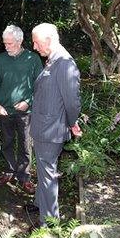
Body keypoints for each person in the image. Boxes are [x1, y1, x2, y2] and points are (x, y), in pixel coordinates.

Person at [29, 23, 82, 227]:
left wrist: (72, 122)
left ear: (49, 40)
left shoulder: (65, 63)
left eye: (36, 42)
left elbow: (72, 102)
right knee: (43, 171)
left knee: (48, 175)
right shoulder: (53, 60)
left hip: (50, 131)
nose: (34, 47)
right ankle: (39, 204)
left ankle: (49, 223)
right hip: (44, 127)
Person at [0, 25, 42, 194]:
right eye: (5, 43)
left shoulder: (33, 59)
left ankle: (24, 177)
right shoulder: (1, 59)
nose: (6, 47)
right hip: (5, 111)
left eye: (10, 44)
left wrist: (29, 101)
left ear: (20, 41)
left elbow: (40, 85)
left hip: (25, 112)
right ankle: (9, 171)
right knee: (6, 142)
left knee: (25, 144)